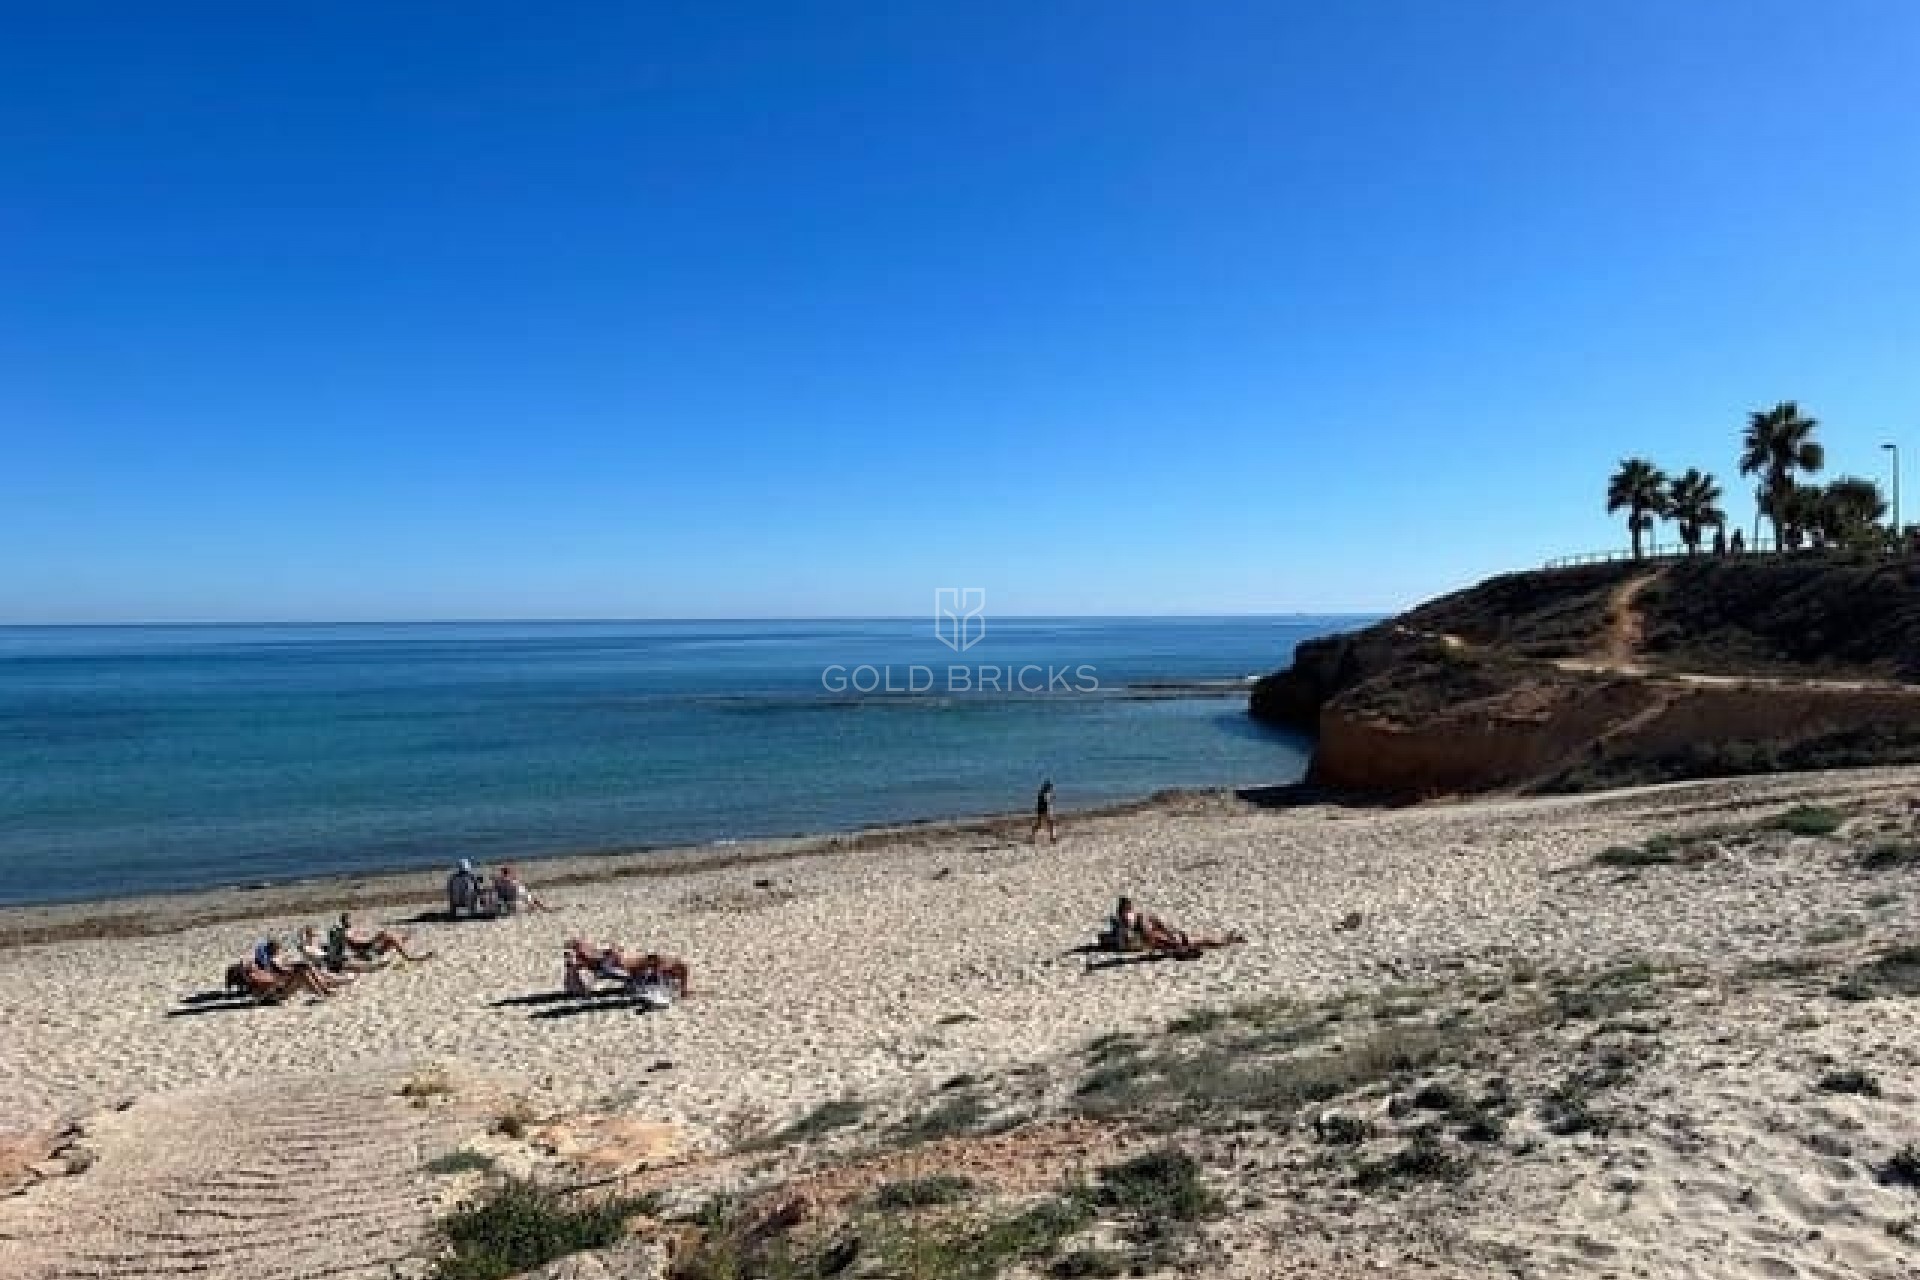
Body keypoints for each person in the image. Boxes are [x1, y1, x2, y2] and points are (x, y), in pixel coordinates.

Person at [1105, 895, 1242, 954]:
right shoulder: (1138, 918)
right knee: (1192, 940)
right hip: (1150, 939)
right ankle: (1228, 940)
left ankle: (1228, 940)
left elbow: (1151, 932)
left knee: (1193, 939)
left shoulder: (1124, 920)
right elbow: (1152, 933)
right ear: (1128, 907)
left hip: (1147, 939)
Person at [328, 912, 430, 968]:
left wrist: (371, 938)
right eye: (348, 920)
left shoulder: (351, 930)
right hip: (366, 952)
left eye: (350, 919)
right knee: (387, 935)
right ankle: (409, 957)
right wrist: (373, 939)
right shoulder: (346, 932)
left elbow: (362, 940)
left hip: (370, 949)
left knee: (391, 938)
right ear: (344, 922)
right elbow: (360, 944)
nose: (350, 921)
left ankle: (402, 943)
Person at [1031, 779, 1057, 843]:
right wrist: (1052, 798)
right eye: (1050, 787)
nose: (1051, 789)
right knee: (1051, 823)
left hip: (1040, 810)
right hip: (1045, 811)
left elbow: (1039, 803)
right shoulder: (1046, 794)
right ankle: (1052, 837)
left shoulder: (1041, 793)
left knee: (1039, 824)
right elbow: (1047, 801)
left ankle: (1032, 836)